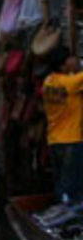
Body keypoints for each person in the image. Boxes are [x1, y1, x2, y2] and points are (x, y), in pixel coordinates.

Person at [43, 46, 83, 203]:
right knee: (72, 185)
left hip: (54, 140)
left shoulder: (48, 81)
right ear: (63, 65)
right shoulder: (71, 83)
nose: (75, 60)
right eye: (71, 58)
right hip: (71, 141)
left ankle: (61, 212)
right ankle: (69, 216)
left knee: (61, 183)